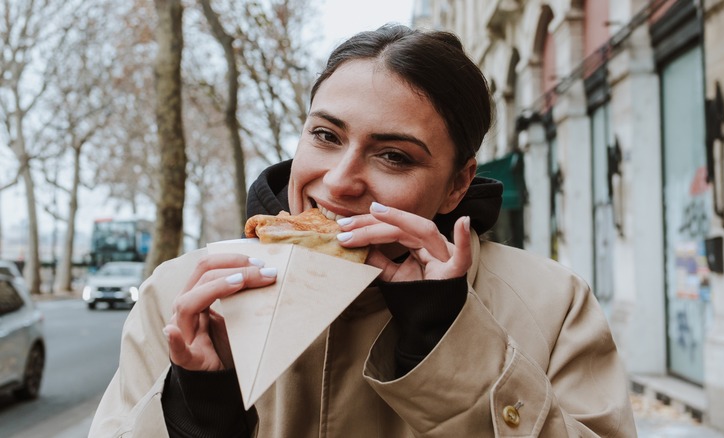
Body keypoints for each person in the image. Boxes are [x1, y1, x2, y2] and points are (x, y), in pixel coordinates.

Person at [90, 24, 637, 437]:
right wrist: (198, 407)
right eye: (326, 135)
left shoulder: (550, 304)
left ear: (456, 184)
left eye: (394, 156)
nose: (341, 179)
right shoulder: (183, 294)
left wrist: (447, 346)